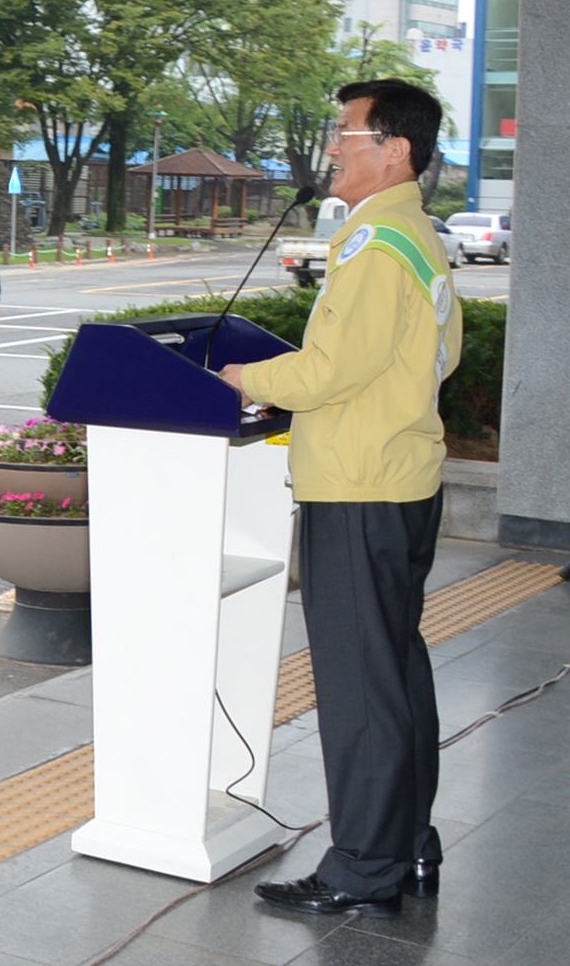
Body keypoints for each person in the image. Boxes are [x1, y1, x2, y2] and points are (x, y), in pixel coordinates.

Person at [216, 80, 460, 918]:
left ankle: (363, 866)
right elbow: (442, 355)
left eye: (347, 133)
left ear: (395, 150)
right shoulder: (418, 237)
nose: (332, 146)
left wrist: (243, 376)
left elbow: (327, 371)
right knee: (395, 671)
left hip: (356, 486)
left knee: (360, 686)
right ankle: (409, 845)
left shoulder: (373, 244)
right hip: (401, 478)